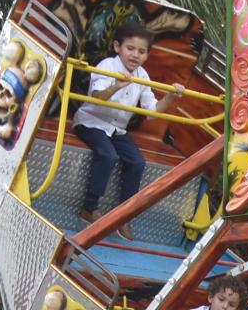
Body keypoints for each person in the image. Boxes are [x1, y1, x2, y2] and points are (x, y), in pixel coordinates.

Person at [73, 20, 183, 229]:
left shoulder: (143, 76)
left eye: (141, 51)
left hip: (117, 130)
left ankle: (124, 215)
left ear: (147, 55)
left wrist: (170, 96)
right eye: (130, 48)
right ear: (117, 47)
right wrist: (116, 85)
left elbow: (151, 112)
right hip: (91, 122)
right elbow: (98, 95)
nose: (135, 55)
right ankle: (89, 206)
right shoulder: (108, 65)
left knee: (137, 163)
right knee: (108, 155)